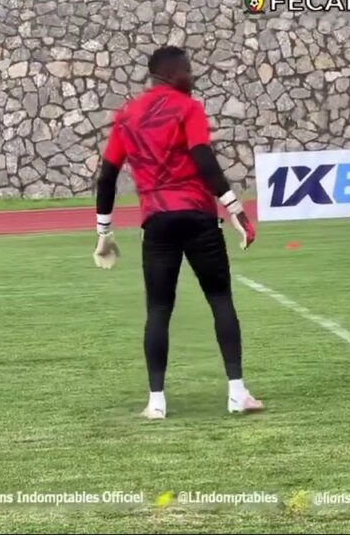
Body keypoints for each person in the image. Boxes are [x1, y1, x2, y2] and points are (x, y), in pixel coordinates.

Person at [91, 46, 262, 420]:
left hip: (157, 222)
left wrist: (104, 232)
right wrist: (235, 209)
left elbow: (106, 176)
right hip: (198, 217)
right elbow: (202, 158)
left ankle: (156, 402)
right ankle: (237, 394)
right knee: (220, 300)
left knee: (158, 310)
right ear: (171, 73)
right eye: (188, 69)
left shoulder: (126, 115)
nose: (193, 76)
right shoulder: (189, 108)